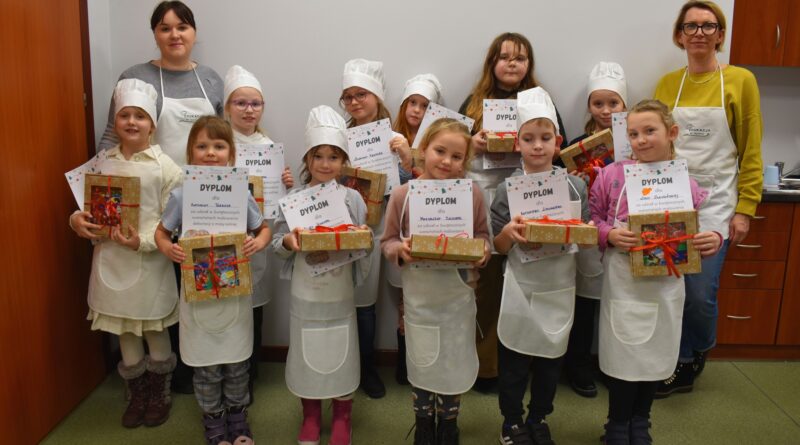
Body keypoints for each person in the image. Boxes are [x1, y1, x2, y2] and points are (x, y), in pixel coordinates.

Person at [589, 99, 721, 444]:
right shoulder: (611, 176)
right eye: (633, 134)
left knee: (655, 354)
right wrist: (608, 234)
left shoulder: (686, 183)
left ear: (671, 132)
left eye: (650, 131)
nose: (641, 140)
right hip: (624, 283)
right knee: (625, 353)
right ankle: (617, 424)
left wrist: (712, 238)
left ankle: (640, 422)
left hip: (666, 284)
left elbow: (700, 229)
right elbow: (593, 218)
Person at [652, 0, 763, 397]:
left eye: (708, 25)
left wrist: (745, 209)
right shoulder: (668, 84)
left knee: (700, 294)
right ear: (679, 36)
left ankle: (699, 347)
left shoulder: (741, 80)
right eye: (691, 26)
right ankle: (678, 361)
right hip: (672, 201)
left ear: (720, 34)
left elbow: (751, 149)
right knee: (672, 289)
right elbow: (656, 144)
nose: (699, 32)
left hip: (716, 204)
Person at [69, 78, 182, 429]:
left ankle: (159, 392)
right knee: (125, 331)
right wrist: (76, 220)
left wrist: (142, 241)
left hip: (150, 262)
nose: (132, 122)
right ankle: (136, 393)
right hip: (110, 261)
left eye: (140, 116)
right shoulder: (100, 163)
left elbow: (172, 221)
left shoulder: (167, 168)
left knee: (154, 328)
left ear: (152, 124)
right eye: (124, 115)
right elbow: (83, 206)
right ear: (115, 122)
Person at [459, 32, 568, 392]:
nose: (511, 64)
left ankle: (526, 364)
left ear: (528, 65)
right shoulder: (473, 104)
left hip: (534, 202)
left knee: (527, 287)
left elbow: (562, 155)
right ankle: (487, 367)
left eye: (520, 58)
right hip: (486, 198)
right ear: (492, 62)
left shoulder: (542, 101)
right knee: (488, 288)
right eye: (504, 57)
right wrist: (472, 144)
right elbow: (450, 153)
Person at [155, 116, 271, 445]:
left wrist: (258, 242)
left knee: (236, 362)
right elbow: (161, 233)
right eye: (202, 146)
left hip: (234, 292)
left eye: (219, 146)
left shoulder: (241, 193)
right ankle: (213, 418)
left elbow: (263, 228)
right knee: (205, 365)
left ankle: (237, 415)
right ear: (190, 153)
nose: (210, 153)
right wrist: (169, 248)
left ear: (231, 154)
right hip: (199, 293)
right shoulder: (181, 195)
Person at [382, 118, 492, 445]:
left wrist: (483, 251)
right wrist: (399, 250)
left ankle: (448, 423)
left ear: (466, 161)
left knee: (453, 361)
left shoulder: (472, 194)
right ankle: (423, 422)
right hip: (420, 297)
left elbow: (483, 236)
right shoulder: (403, 195)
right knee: (422, 360)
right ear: (423, 149)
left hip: (458, 296)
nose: (446, 161)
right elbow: (387, 241)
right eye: (439, 151)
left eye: (457, 157)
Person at [491, 87, 589, 445]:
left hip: (558, 286)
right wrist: (508, 233)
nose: (537, 146)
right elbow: (498, 247)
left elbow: (585, 237)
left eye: (545, 138)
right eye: (528, 139)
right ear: (517, 143)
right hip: (521, 286)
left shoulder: (575, 187)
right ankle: (512, 421)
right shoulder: (506, 189)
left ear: (558, 142)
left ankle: (538, 417)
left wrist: (582, 231)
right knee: (514, 361)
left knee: (550, 361)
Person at [271, 105, 371, 445]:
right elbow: (277, 243)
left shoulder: (353, 199)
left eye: (333, 157)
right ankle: (311, 414)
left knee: (341, 348)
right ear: (307, 159)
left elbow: (364, 243)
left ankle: (343, 414)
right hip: (307, 291)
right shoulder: (294, 199)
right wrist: (289, 240)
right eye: (318, 156)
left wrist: (361, 239)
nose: (325, 164)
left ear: (344, 161)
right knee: (306, 350)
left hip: (339, 291)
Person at [340, 58, 412, 398]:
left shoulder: (395, 138)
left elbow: (413, 184)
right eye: (348, 96)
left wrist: (407, 158)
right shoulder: (339, 139)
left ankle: (407, 363)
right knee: (363, 298)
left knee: (405, 291)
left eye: (361, 95)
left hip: (394, 221)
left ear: (377, 97)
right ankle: (366, 367)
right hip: (359, 224)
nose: (354, 102)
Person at [223, 64, 295, 401]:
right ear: (227, 107)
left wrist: (285, 185)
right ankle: (225, 375)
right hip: (222, 238)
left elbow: (276, 206)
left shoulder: (268, 147)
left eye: (255, 103)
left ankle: (249, 375)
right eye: (241, 103)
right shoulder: (218, 141)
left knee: (253, 311)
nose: (249, 110)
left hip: (256, 240)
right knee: (224, 308)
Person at [564, 61, 628, 398]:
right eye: (598, 103)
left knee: (619, 302)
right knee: (586, 303)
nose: (605, 110)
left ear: (624, 104)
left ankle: (615, 365)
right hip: (590, 230)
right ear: (589, 106)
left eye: (613, 103)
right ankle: (578, 365)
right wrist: (574, 180)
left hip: (625, 233)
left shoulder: (636, 142)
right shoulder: (578, 146)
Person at [97, 0, 224, 165]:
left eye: (182, 27)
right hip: (149, 178)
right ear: (155, 35)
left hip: (203, 180)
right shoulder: (134, 77)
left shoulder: (211, 79)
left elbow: (227, 137)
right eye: (165, 29)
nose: (175, 35)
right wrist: (101, 172)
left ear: (194, 33)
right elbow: (112, 135)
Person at [390, 72, 444, 384]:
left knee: (425, 299)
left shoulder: (437, 146)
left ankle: (427, 362)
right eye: (412, 102)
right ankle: (405, 363)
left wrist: (411, 161)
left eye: (425, 106)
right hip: (399, 227)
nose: (417, 110)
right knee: (403, 301)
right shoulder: (389, 138)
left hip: (433, 226)